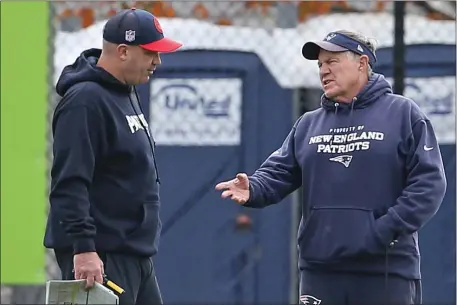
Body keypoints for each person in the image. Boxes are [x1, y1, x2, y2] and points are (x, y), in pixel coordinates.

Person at [215, 30, 447, 305]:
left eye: (332, 62)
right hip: (320, 270)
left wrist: (382, 230)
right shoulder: (308, 124)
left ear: (362, 63)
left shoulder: (403, 114)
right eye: (320, 65)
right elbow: (278, 172)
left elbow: (429, 184)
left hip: (385, 269)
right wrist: (253, 187)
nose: (324, 71)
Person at [44, 8, 182, 305]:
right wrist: (83, 248)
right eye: (150, 53)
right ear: (123, 51)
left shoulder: (125, 91)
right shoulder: (85, 101)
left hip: (133, 252)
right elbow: (70, 182)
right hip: (101, 255)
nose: (157, 61)